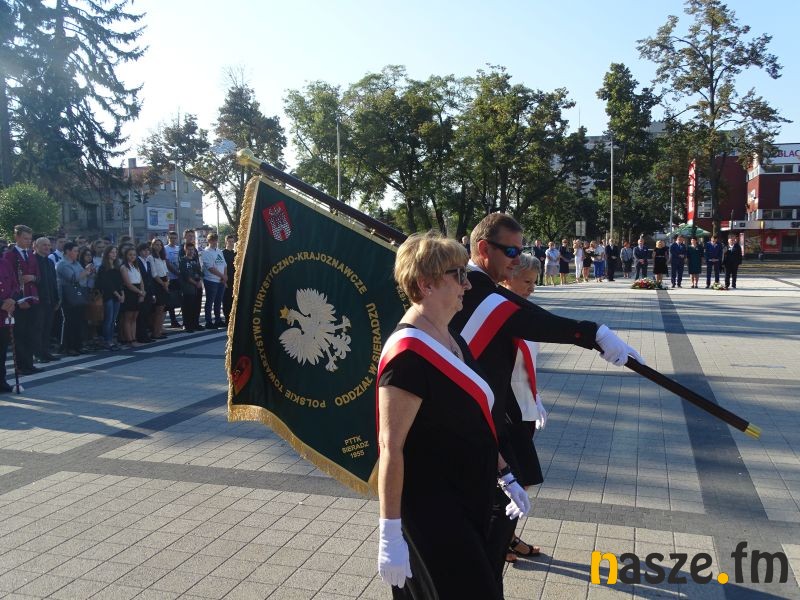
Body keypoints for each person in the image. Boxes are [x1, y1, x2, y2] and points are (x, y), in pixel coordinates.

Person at [451, 213, 644, 594]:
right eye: (510, 251)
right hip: (471, 426)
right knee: (489, 527)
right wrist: (594, 333)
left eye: (520, 250)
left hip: (493, 417)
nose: (516, 259)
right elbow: (534, 321)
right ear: (483, 248)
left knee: (497, 519)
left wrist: (594, 335)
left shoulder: (482, 289)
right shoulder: (475, 290)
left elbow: (525, 316)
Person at [376, 232, 527, 599]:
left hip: (468, 498)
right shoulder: (407, 355)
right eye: (458, 275)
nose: (467, 284)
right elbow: (391, 447)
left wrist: (505, 473)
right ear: (425, 284)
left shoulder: (449, 336)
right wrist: (390, 533)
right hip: (433, 510)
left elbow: (474, 418)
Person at [499, 253, 546, 563]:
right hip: (507, 410)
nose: (532, 288)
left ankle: (506, 537)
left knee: (522, 478)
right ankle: (502, 539)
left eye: (534, 282)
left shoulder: (524, 312)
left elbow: (527, 362)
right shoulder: (497, 313)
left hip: (525, 406)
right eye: (526, 281)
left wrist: (535, 397)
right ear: (508, 278)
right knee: (518, 477)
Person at [5, 224, 41, 374]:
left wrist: (33, 277)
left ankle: (29, 363)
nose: (28, 241)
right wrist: (19, 300)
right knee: (19, 334)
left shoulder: (31, 254)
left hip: (32, 298)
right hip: (19, 299)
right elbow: (9, 280)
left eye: (30, 239)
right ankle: (20, 366)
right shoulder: (10, 255)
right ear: (17, 237)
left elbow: (38, 276)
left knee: (31, 333)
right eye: (25, 238)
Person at [56, 242, 91, 355]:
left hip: (78, 294)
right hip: (68, 296)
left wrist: (85, 273)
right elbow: (73, 278)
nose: (77, 253)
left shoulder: (77, 264)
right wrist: (85, 272)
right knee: (70, 321)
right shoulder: (62, 264)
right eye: (75, 251)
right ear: (67, 251)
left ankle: (77, 345)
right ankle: (68, 347)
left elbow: (83, 279)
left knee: (79, 321)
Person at [32, 237, 60, 363]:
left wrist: (56, 298)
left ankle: (45, 352)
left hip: (50, 300)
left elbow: (53, 282)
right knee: (37, 328)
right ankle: (37, 354)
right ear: (36, 246)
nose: (47, 247)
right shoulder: (32, 261)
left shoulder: (49, 262)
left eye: (48, 245)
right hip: (38, 300)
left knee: (47, 327)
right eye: (44, 245)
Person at [95, 245, 124, 350]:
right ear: (107, 254)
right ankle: (107, 340)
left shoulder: (117, 266)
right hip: (108, 296)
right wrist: (117, 294)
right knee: (108, 319)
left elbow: (120, 282)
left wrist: (122, 294)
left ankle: (111, 339)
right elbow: (107, 284)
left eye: (115, 252)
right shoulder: (103, 267)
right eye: (112, 252)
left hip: (118, 296)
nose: (114, 254)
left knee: (113, 319)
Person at [200, 232, 227, 329]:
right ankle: (208, 321)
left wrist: (225, 276)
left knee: (218, 301)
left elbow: (224, 265)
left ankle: (218, 320)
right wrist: (222, 276)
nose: (215, 242)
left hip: (221, 281)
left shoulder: (219, 251)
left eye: (216, 240)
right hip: (211, 280)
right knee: (210, 301)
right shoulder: (206, 252)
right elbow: (210, 268)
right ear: (209, 241)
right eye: (213, 240)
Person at [119, 246, 145, 347]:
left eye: (134, 255)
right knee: (128, 318)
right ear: (126, 256)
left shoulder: (136, 266)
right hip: (130, 293)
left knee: (134, 317)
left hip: (138, 291)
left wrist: (142, 292)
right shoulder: (123, 267)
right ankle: (129, 340)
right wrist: (140, 292)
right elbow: (128, 284)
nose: (132, 257)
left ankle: (134, 338)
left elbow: (141, 281)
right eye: (130, 255)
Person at [0, 258, 19, 392]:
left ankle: (1, 381)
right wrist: (1, 303)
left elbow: (15, 285)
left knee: (2, 351)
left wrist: (12, 299)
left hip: (4, 316)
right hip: (3, 307)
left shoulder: (5, 263)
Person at [147, 238, 170, 340]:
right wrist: (163, 284)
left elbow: (166, 271)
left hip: (165, 282)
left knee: (163, 309)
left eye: (160, 245)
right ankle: (155, 332)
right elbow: (154, 274)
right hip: (157, 283)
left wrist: (167, 282)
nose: (158, 246)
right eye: (156, 244)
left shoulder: (162, 257)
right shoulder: (150, 257)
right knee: (158, 309)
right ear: (152, 246)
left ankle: (159, 330)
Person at [179, 242, 204, 332]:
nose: (191, 251)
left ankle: (195, 323)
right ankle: (188, 325)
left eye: (192, 249)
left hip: (197, 287)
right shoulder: (183, 261)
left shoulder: (195, 260)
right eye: (189, 249)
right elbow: (186, 275)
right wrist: (195, 283)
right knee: (188, 307)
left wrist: (200, 281)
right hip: (188, 287)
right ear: (185, 250)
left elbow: (200, 272)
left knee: (197, 306)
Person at [164, 231, 182, 328]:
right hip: (170, 278)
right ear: (168, 238)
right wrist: (177, 273)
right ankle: (173, 320)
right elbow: (167, 263)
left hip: (179, 278)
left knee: (180, 298)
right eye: (171, 238)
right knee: (171, 300)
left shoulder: (179, 248)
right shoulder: (165, 249)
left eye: (175, 238)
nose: (173, 240)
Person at [222, 234, 236, 325]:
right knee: (226, 300)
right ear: (226, 242)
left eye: (232, 241)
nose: (231, 243)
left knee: (233, 300)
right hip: (226, 279)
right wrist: (223, 280)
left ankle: (233, 318)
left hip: (235, 280)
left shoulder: (236, 254)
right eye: (229, 241)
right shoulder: (222, 253)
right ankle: (227, 319)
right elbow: (221, 267)